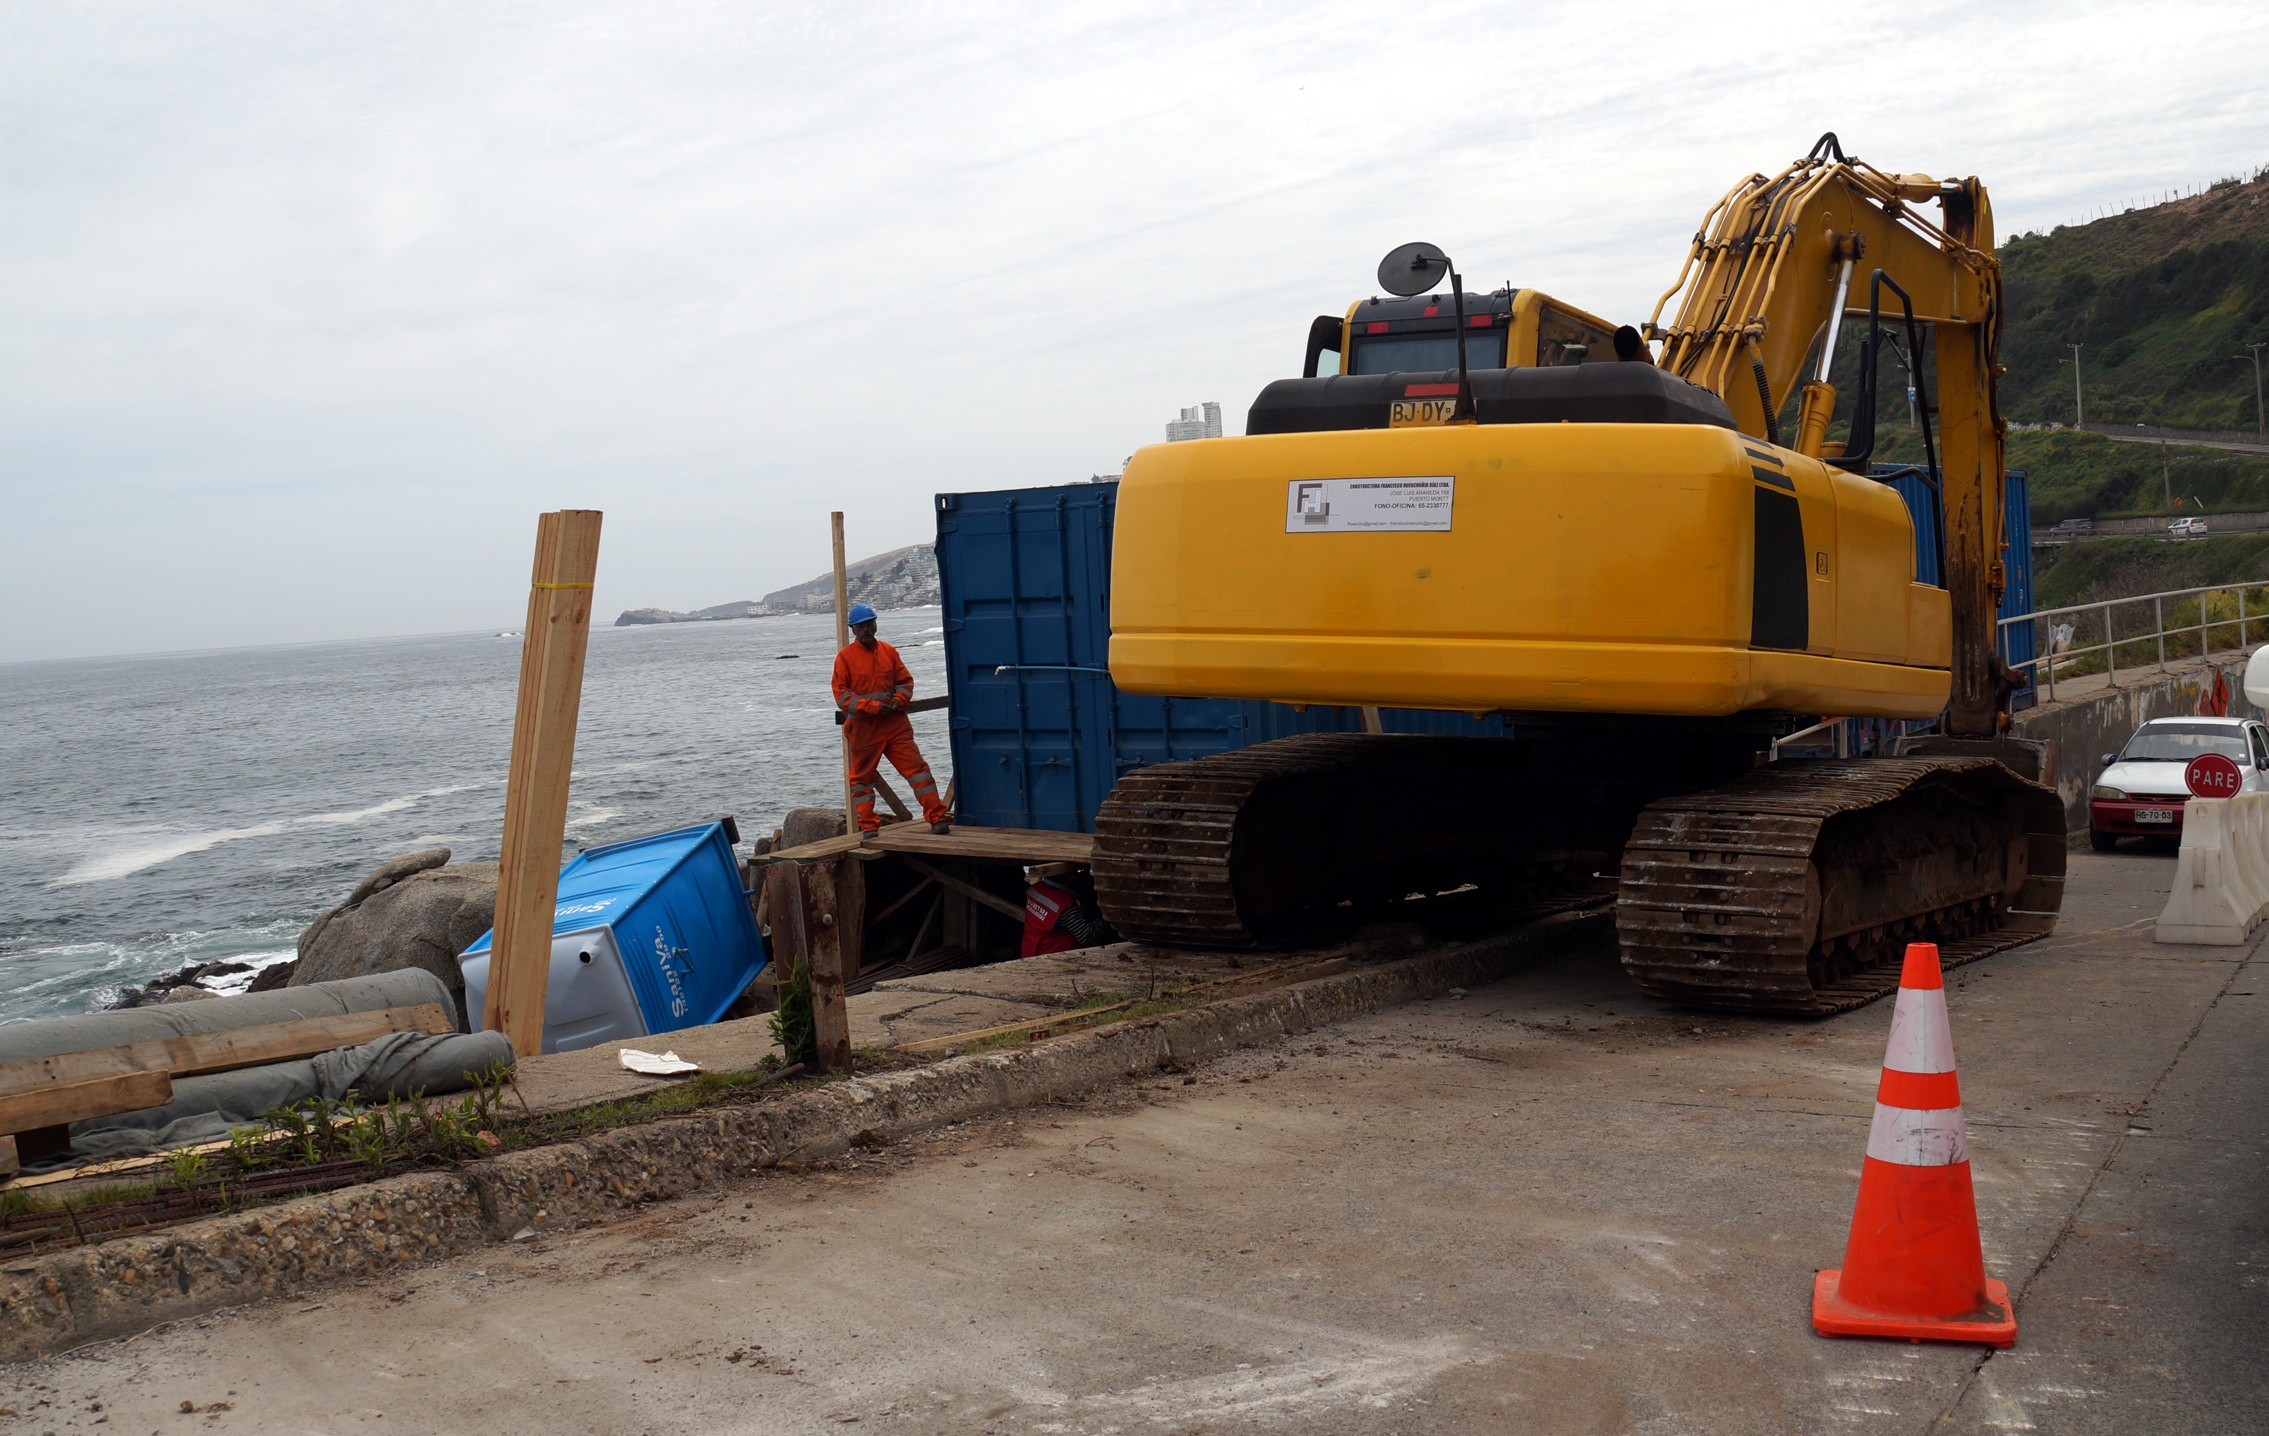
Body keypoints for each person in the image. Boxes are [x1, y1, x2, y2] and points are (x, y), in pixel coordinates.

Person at [832, 602, 951, 840]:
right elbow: (841, 696)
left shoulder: (889, 651)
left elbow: (905, 682)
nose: (866, 629)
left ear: (875, 624)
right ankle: (869, 827)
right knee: (862, 780)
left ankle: (937, 817)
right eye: (861, 626)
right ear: (853, 630)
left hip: (895, 725)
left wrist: (899, 700)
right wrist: (873, 707)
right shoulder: (845, 658)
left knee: (918, 771)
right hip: (865, 729)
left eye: (869, 624)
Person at [1020, 864, 1112, 957]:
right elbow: (1086, 936)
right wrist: (1107, 918)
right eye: (1076, 874)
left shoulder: (1035, 889)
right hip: (1054, 960)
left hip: (1031, 952)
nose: (1079, 877)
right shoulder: (1066, 905)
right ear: (1067, 879)